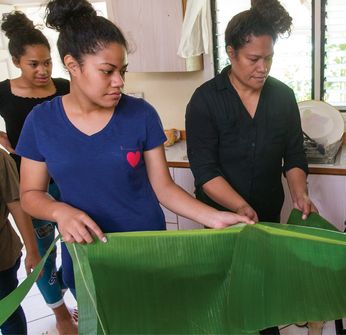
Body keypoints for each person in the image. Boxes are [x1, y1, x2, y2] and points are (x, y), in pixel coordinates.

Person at [15, 0, 253, 304]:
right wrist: (59, 211)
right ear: (73, 65)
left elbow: (164, 188)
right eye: (107, 71)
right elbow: (30, 194)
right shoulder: (41, 122)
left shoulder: (140, 115)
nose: (119, 82)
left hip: (146, 251)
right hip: (88, 254)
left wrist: (215, 217)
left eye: (122, 71)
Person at [185, 0, 317, 333]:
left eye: (269, 58)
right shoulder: (205, 100)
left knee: (262, 297)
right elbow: (205, 171)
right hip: (222, 221)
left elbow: (294, 155)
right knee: (228, 298)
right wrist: (240, 206)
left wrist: (299, 193)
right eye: (253, 59)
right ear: (231, 52)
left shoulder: (282, 97)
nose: (263, 67)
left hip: (268, 219)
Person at [0, 11, 77, 334]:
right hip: (31, 187)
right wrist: (8, 143)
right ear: (17, 61)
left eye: (47, 62)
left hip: (69, 181)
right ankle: (60, 317)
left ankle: (83, 302)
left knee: (74, 248)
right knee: (43, 256)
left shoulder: (63, 87)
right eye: (34, 64)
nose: (43, 70)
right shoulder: (3, 91)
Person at [0, 149, 40, 335]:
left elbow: (16, 203)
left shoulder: (1, 158)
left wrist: (32, 250)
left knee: (7, 313)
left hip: (2, 257)